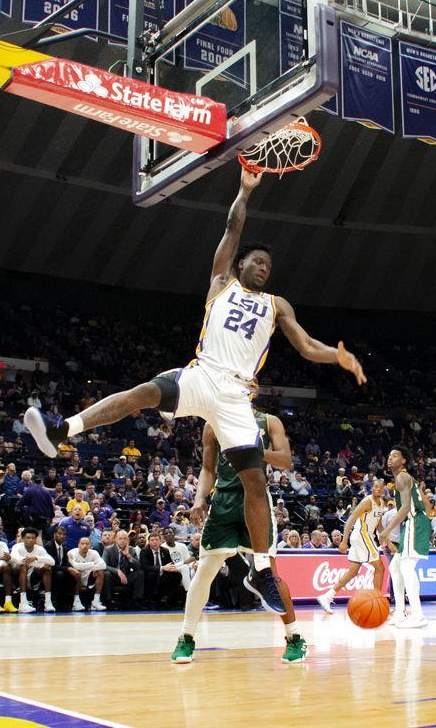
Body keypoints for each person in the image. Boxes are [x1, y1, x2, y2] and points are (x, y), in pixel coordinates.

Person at [25, 170, 366, 614]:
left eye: (269, 265)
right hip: (202, 373)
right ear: (239, 264)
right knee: (142, 393)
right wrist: (245, 190)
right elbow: (232, 227)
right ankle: (61, 431)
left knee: (255, 481)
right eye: (257, 261)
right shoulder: (220, 283)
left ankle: (261, 568)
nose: (264, 267)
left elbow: (305, 345)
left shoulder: (277, 304)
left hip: (237, 396)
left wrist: (336, 357)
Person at [171, 409, 307, 664]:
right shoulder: (213, 423)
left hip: (255, 500)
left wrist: (253, 454)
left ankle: (295, 637)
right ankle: (186, 637)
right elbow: (207, 469)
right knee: (206, 570)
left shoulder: (269, 422)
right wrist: (200, 498)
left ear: (252, 387)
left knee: (269, 571)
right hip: (223, 500)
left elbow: (286, 460)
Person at [379, 446, 434, 629]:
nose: (390, 458)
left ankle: (418, 615)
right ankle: (400, 614)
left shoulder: (402, 476)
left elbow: (404, 508)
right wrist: (427, 517)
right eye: (389, 455)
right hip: (415, 522)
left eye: (395, 456)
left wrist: (387, 530)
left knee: (406, 567)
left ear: (403, 460)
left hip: (414, 522)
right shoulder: (403, 478)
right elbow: (425, 502)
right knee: (395, 566)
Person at [317, 480, 387, 614]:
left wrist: (386, 539)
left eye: (381, 487)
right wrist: (344, 541)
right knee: (380, 567)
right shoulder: (367, 501)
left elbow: (378, 525)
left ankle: (327, 596)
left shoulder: (382, 503)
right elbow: (350, 519)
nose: (378, 489)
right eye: (376, 487)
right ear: (372, 489)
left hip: (366, 536)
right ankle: (377, 602)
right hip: (362, 535)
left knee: (354, 571)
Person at [10, 527, 56, 613]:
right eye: (28, 538)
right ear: (23, 539)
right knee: (23, 565)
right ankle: (22, 603)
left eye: (33, 538)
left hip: (33, 577)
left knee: (47, 567)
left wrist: (36, 557)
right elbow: (16, 559)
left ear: (35, 539)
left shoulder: (40, 549)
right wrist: (35, 562)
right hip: (18, 576)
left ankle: (48, 602)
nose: (30, 540)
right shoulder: (17, 547)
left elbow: (52, 561)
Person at [102, 529, 145, 608]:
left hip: (126, 576)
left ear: (128, 540)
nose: (122, 541)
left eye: (125, 538)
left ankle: (137, 600)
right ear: (116, 539)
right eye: (120, 538)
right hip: (114, 576)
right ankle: (108, 600)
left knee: (140, 573)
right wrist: (117, 571)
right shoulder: (108, 549)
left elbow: (139, 567)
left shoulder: (131, 549)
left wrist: (128, 556)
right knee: (106, 574)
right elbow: (103, 565)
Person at [67, 537, 107, 611]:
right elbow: (76, 566)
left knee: (100, 571)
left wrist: (86, 567)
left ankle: (96, 601)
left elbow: (103, 565)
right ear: (78, 545)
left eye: (87, 544)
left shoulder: (94, 553)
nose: (84, 546)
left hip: (89, 577)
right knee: (77, 572)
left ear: (90, 545)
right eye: (82, 543)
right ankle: (76, 601)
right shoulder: (71, 553)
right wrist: (92, 564)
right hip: (76, 577)